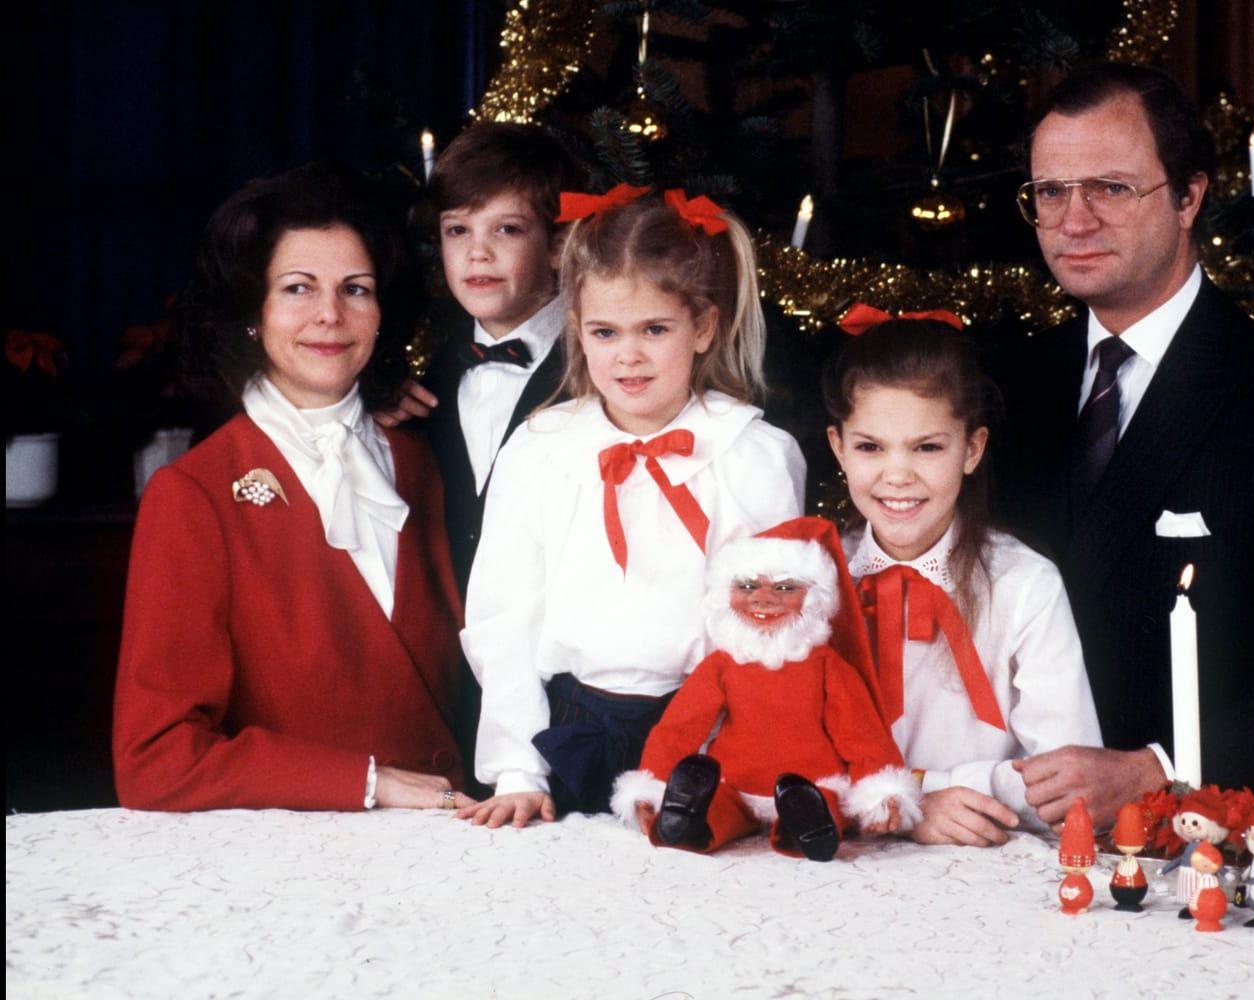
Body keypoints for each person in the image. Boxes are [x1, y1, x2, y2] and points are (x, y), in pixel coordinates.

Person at [993, 62, 1254, 816]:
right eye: (1051, 192)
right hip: (1004, 825)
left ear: (1189, 198)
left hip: (1198, 843)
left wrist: (1155, 770)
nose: (1074, 221)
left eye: (1110, 187)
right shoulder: (1005, 388)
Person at [113, 162, 473, 812]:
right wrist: (368, 783)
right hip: (297, 866)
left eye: (356, 289)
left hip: (455, 841)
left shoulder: (416, 461)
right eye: (299, 288)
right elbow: (155, 759)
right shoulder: (193, 495)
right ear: (254, 311)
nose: (330, 315)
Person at [454, 185, 806, 828]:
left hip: (706, 741)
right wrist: (516, 769)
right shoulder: (541, 450)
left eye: (655, 328)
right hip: (566, 736)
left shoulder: (753, 454)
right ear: (578, 330)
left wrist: (751, 761)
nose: (629, 354)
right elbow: (503, 617)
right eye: (605, 331)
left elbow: (770, 629)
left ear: (703, 327)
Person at [824, 313, 1102, 848]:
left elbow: (1065, 783)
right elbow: (772, 755)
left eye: (927, 447)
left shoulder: (1024, 585)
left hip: (980, 862)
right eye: (870, 447)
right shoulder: (811, 580)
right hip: (838, 856)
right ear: (838, 446)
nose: (897, 474)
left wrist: (938, 792)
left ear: (971, 449)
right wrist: (913, 805)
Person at [611, 517, 919, 861]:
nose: (762, 600)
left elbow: (860, 733)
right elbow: (679, 729)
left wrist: (880, 791)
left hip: (812, 783)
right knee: (716, 805)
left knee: (825, 802)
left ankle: (806, 826)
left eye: (785, 588)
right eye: (746, 586)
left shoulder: (828, 667)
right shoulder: (722, 665)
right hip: (735, 784)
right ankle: (687, 821)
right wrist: (650, 786)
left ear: (814, 598)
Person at [379, 122, 582, 593]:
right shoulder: (420, 388)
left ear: (557, 246)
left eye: (507, 229)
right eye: (457, 230)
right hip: (452, 657)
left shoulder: (608, 369)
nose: (477, 253)